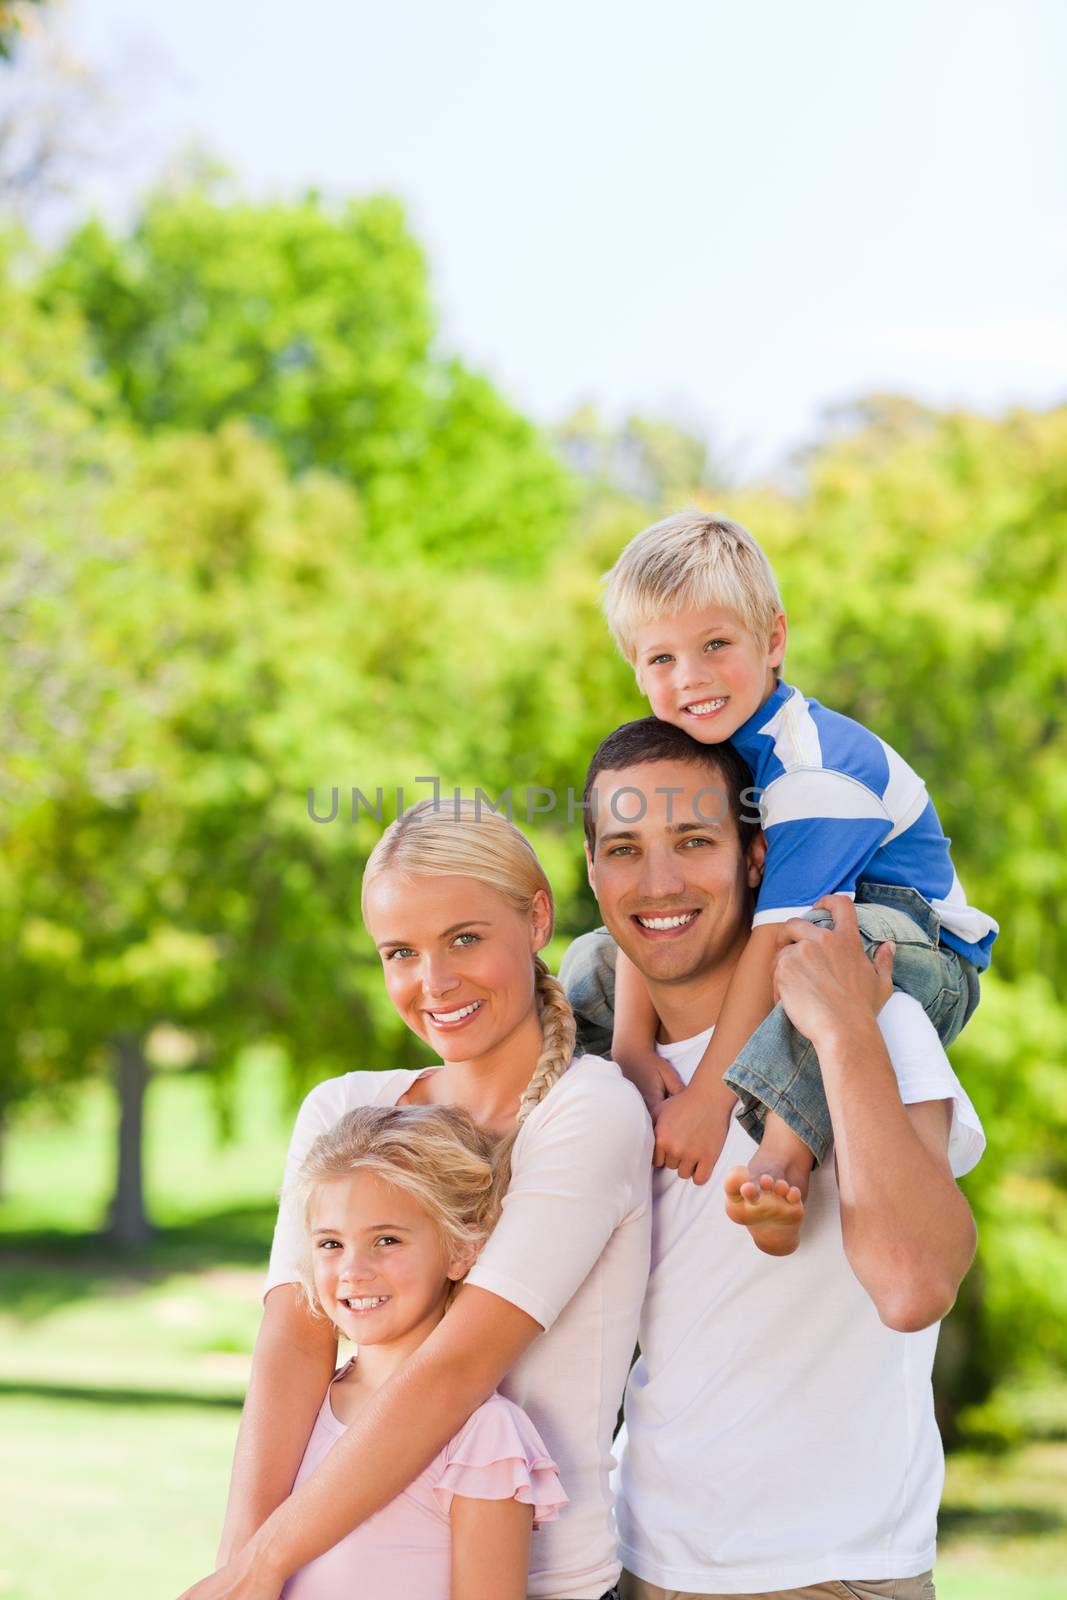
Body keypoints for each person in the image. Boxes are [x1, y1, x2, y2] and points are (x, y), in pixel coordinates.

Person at [178, 798, 652, 1600]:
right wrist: (241, 1571)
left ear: (536, 918)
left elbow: (456, 1370)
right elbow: (295, 1342)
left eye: (464, 939)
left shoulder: (589, 1112)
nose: (434, 983)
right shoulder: (345, 1112)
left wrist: (261, 1566)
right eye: (400, 952)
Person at [561, 717, 984, 1599]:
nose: (660, 881)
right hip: (638, 1561)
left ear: (758, 859)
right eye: (625, 849)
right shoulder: (591, 1068)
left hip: (830, 1574)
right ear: (593, 872)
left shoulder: (875, 1022)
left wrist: (839, 1027)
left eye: (694, 841)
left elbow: (912, 1287)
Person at [591, 512, 997, 1253]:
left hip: (917, 944)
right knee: (595, 946)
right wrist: (629, 1046)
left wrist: (708, 1101)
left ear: (772, 640)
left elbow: (776, 934)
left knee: (811, 951)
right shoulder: (701, 747)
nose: (690, 678)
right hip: (814, 916)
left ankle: (783, 1155)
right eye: (660, 659)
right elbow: (645, 898)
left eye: (715, 645)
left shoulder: (814, 767)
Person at [281, 1102, 567, 1600]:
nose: (353, 1269)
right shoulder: (304, 1408)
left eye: (386, 1239)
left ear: (461, 1250)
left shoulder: (483, 1436)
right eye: (330, 1244)